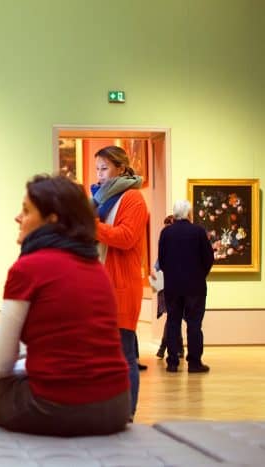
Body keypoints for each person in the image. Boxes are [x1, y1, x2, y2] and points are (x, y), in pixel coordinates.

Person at [0, 174, 130, 436]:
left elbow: (2, 362)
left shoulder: (27, 268)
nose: (17, 218)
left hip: (58, 406)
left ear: (52, 219)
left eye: (25, 211)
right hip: (117, 406)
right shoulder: (95, 267)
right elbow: (71, 358)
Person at [91, 145, 148, 418]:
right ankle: (106, 409)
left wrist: (90, 225)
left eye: (104, 169)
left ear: (121, 169)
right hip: (99, 286)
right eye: (97, 169)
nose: (99, 175)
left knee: (125, 356)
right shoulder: (99, 201)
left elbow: (125, 237)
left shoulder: (133, 198)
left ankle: (127, 413)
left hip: (121, 288)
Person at [158, 200, 214, 373]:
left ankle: (173, 362)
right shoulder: (198, 232)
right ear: (189, 214)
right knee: (194, 324)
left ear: (174, 215)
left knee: (173, 322)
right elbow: (208, 258)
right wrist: (200, 274)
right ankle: (194, 362)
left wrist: (171, 275)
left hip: (173, 286)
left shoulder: (166, 233)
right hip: (195, 286)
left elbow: (162, 259)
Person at [152, 215, 185, 359]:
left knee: (173, 317)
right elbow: (157, 265)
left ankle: (164, 347)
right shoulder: (166, 242)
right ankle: (178, 347)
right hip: (167, 285)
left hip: (178, 285)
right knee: (173, 317)